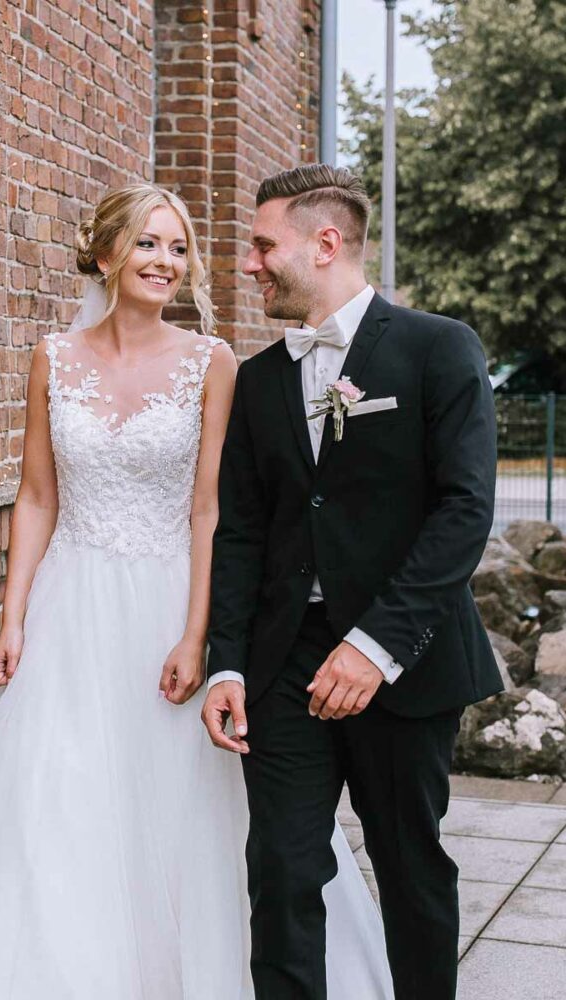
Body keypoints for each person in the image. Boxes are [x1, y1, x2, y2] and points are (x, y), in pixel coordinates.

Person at [0, 182, 392, 999]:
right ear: (109, 253)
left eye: (178, 247)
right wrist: (12, 617)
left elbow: (209, 507)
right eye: (150, 244)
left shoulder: (211, 362)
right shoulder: (52, 356)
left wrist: (197, 635)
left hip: (168, 603)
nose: (167, 261)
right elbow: (37, 496)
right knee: (57, 802)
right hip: (70, 608)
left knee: (184, 813)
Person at [202, 163, 502, 1000]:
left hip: (402, 661)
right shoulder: (260, 382)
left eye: (264, 246)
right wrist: (228, 662)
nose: (252, 264)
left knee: (411, 867)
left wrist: (374, 648)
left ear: (325, 242)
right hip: (284, 665)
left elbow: (464, 512)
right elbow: (243, 534)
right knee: (282, 868)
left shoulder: (439, 348)